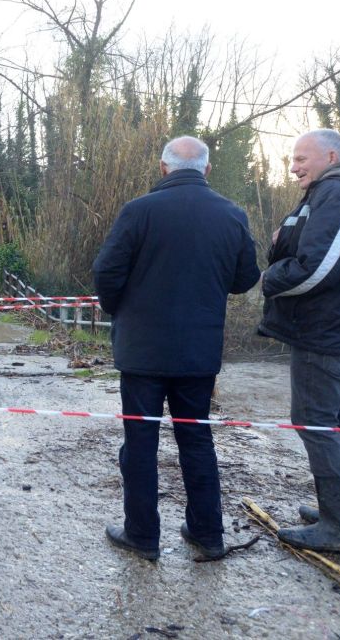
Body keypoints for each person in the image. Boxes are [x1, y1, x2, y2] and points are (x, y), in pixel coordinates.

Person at [92, 136, 260, 561]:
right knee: (196, 439)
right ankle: (208, 534)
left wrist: (121, 312)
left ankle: (142, 536)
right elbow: (244, 279)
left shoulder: (139, 211)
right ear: (206, 170)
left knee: (141, 442)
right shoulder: (231, 214)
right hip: (198, 351)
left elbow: (106, 272)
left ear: (164, 169)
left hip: (142, 351)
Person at [259, 128, 340, 554]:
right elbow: (298, 247)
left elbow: (316, 267)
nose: (294, 166)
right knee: (336, 421)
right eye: (292, 159)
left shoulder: (338, 194)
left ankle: (338, 528)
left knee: (314, 421)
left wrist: (268, 281)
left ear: (331, 157)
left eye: (302, 158)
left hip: (327, 332)